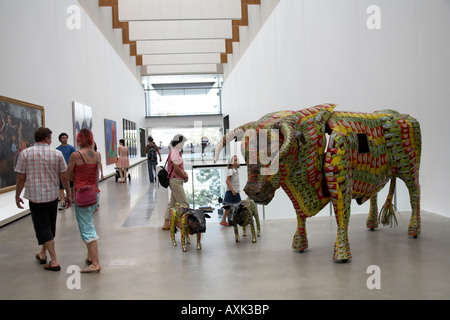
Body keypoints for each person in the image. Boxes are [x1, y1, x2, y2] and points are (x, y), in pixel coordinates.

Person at [14, 127, 72, 272]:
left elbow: (21, 177)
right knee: (49, 226)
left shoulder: (26, 153)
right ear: (46, 138)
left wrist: (17, 195)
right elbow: (64, 176)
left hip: (35, 197)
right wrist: (68, 195)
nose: (51, 140)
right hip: (52, 196)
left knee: (43, 228)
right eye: (50, 138)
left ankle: (54, 261)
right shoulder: (57, 153)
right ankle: (42, 254)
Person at [66, 128, 101, 273]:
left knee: (87, 228)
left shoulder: (76, 155)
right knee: (89, 223)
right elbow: (96, 176)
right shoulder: (97, 155)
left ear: (80, 139)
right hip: (94, 193)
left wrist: (77, 179)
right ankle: (91, 257)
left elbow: (68, 176)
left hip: (82, 194)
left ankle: (96, 263)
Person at [162, 134, 189, 230]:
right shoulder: (174, 152)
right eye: (182, 143)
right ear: (178, 143)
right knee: (184, 204)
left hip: (177, 179)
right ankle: (186, 224)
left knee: (172, 203)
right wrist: (184, 176)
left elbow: (179, 168)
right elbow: (176, 168)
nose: (183, 145)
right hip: (175, 180)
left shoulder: (177, 152)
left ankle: (166, 223)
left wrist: (184, 174)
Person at [56, 132, 76, 210]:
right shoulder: (57, 150)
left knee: (71, 185)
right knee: (61, 186)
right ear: (60, 139)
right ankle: (62, 201)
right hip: (61, 170)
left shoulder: (71, 148)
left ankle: (72, 198)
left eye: (66, 137)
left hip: (70, 169)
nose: (65, 139)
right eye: (63, 138)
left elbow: (74, 158)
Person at [220, 155, 241, 226]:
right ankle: (223, 220)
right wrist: (232, 190)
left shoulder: (235, 171)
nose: (237, 161)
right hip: (231, 192)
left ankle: (241, 220)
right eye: (235, 160)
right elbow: (227, 181)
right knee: (228, 208)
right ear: (231, 162)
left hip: (236, 191)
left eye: (237, 160)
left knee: (238, 206)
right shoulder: (231, 170)